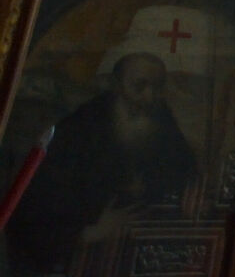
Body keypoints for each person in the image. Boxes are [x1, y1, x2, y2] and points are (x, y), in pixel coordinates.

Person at [8, 54, 200, 273]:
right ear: (116, 86)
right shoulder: (77, 132)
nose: (150, 96)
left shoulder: (163, 126)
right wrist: (89, 233)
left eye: (157, 87)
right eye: (140, 86)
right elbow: (33, 216)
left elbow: (183, 179)